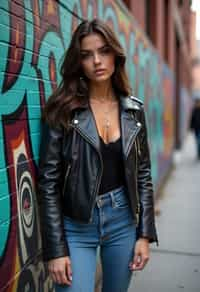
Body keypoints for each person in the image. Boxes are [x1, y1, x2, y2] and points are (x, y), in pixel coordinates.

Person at [37, 18, 158, 292]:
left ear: (115, 54)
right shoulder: (63, 110)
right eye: (87, 55)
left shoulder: (133, 111)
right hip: (76, 223)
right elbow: (48, 182)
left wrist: (145, 235)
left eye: (103, 51)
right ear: (78, 62)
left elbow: (143, 174)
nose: (97, 61)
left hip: (122, 221)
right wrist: (56, 249)